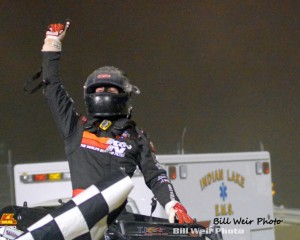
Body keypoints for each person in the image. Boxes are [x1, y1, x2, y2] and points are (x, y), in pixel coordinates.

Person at [40, 21, 194, 225]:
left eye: (110, 90)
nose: (104, 93)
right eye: (100, 89)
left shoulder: (136, 135)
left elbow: (155, 175)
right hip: (83, 225)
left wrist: (172, 204)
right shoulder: (75, 126)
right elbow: (52, 88)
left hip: (118, 225)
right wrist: (52, 44)